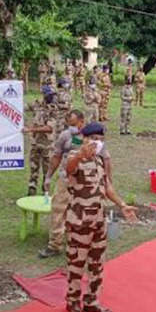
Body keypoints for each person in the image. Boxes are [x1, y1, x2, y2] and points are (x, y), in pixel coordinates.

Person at [63, 122, 136, 312]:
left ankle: (92, 301)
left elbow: (107, 187)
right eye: (94, 139)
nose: (98, 143)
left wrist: (122, 205)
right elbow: (69, 169)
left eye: (101, 140)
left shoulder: (99, 161)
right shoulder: (74, 157)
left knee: (97, 264)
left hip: (98, 221)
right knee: (76, 263)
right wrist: (80, 155)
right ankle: (72, 301)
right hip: (80, 222)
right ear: (84, 139)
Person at [38, 110, 114, 259]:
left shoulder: (94, 138)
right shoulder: (65, 136)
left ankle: (83, 241)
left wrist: (108, 181)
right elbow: (56, 156)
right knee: (58, 209)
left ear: (82, 121)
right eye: (69, 125)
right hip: (66, 179)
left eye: (75, 124)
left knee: (85, 211)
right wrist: (48, 177)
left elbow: (106, 159)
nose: (72, 128)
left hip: (88, 182)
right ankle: (55, 244)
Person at [24, 86, 56, 196]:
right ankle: (31, 191)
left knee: (47, 170)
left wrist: (30, 129)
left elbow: (49, 128)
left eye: (52, 95)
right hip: (35, 143)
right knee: (34, 168)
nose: (51, 97)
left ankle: (45, 193)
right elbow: (24, 107)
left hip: (47, 145)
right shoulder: (37, 104)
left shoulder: (53, 109)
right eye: (49, 95)